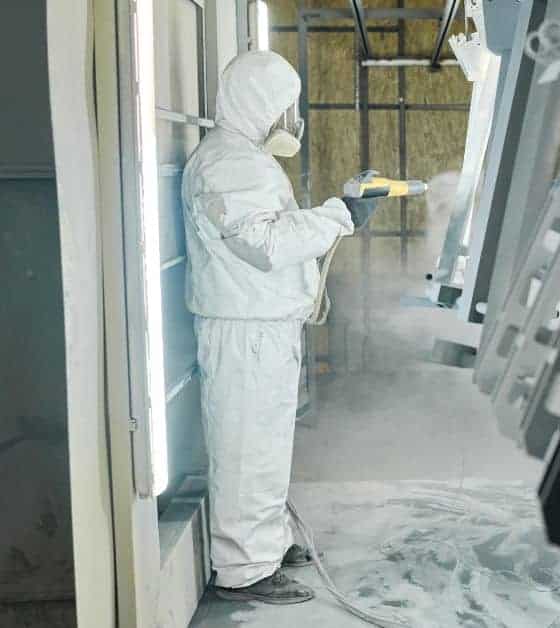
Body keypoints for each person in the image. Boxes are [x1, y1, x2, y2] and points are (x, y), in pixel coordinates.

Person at [181, 50, 375, 604]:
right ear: (259, 103)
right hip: (245, 330)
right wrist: (339, 214)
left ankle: (267, 540)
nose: (291, 121)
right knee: (246, 448)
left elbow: (272, 230)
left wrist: (340, 209)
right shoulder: (228, 165)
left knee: (265, 444)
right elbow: (265, 245)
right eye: (286, 107)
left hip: (260, 324)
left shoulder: (242, 159)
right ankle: (244, 570)